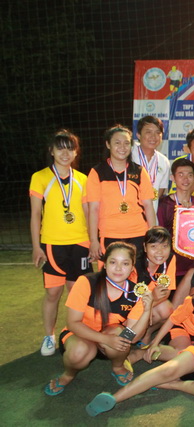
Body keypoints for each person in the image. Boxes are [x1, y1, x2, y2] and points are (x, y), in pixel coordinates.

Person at [84, 273, 194, 416]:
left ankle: (171, 384)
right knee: (173, 364)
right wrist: (154, 343)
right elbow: (173, 320)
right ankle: (114, 397)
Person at [44, 242, 153, 395]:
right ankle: (68, 375)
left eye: (125, 263)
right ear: (105, 264)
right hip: (80, 335)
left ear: (132, 267)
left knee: (122, 336)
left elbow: (133, 337)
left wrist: (147, 310)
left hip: (110, 340)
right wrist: (105, 339)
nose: (118, 268)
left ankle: (118, 366)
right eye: (113, 262)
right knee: (79, 352)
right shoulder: (86, 282)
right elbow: (73, 323)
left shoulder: (136, 293)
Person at [30, 130, 93, 356]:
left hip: (80, 243)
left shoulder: (83, 179)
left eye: (70, 148)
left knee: (77, 293)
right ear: (52, 151)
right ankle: (49, 336)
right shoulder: (40, 177)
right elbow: (35, 214)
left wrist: (93, 242)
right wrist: (36, 246)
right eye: (60, 148)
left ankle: (75, 332)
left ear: (76, 152)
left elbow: (88, 213)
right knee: (53, 293)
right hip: (52, 244)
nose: (65, 153)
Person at [86, 125, 156, 263]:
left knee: (137, 275)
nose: (122, 147)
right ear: (108, 144)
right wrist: (93, 240)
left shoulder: (139, 171)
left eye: (126, 143)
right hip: (109, 234)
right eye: (117, 143)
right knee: (111, 274)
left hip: (138, 234)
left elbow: (148, 206)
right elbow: (93, 209)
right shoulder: (97, 172)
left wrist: (152, 237)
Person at [157, 158, 194, 286]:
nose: (185, 179)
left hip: (191, 266)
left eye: (190, 175)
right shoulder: (164, 204)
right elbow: (161, 236)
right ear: (172, 178)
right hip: (169, 265)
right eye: (181, 175)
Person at [128, 226, 176, 344]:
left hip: (148, 303)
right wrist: (148, 307)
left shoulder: (170, 259)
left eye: (164, 246)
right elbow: (129, 300)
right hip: (129, 306)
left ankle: (147, 332)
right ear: (145, 247)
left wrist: (150, 305)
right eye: (153, 246)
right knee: (129, 338)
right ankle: (131, 334)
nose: (160, 251)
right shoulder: (134, 264)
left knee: (167, 309)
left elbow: (166, 293)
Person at [131, 115, 170, 211]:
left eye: (158, 132)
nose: (153, 137)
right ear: (138, 135)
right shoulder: (129, 154)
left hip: (151, 215)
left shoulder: (164, 161)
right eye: (148, 132)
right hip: (129, 214)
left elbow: (160, 190)